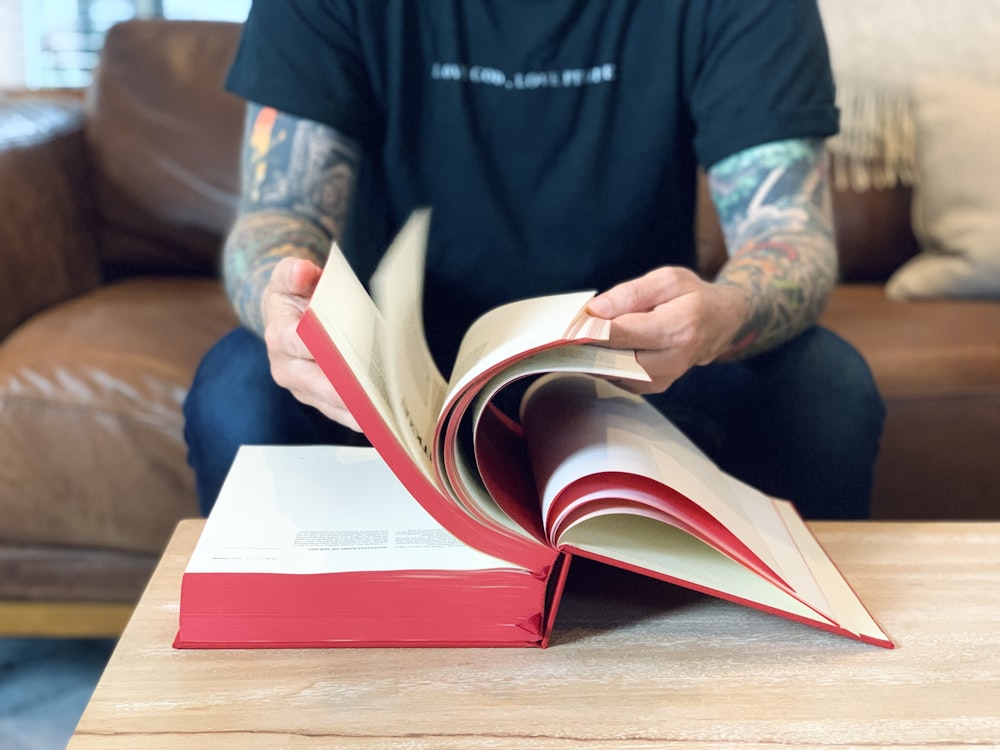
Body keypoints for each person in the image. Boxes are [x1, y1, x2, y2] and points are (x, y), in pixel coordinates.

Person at [184, 0, 885, 520]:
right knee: (237, 390)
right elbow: (282, 213)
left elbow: (789, 234)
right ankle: (284, 683)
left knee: (827, 390)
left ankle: (797, 679)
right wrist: (284, 307)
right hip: (400, 372)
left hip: (634, 362)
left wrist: (725, 312)